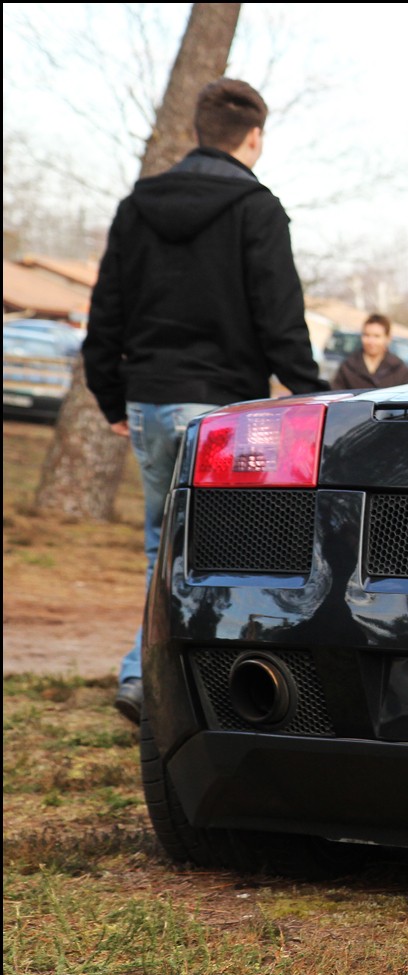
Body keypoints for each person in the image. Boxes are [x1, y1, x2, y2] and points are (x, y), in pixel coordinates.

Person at [82, 77, 325, 724]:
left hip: (149, 400)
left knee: (161, 546)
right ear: (254, 137)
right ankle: (178, 683)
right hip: (220, 411)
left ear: (196, 132)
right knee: (224, 551)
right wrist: (315, 396)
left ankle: (145, 675)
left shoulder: (137, 206)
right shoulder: (257, 208)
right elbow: (280, 317)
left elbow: (106, 311)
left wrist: (111, 396)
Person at [330, 314, 408, 390]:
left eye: (376, 336)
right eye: (366, 335)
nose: (371, 341)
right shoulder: (348, 366)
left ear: (388, 338)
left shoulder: (398, 368)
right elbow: (337, 394)